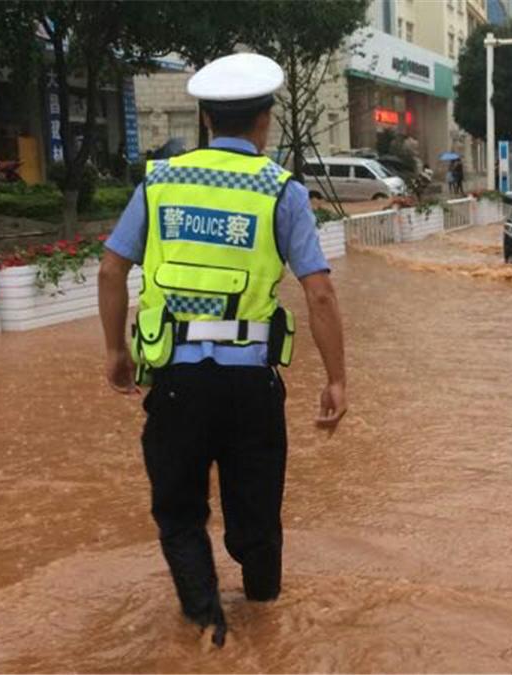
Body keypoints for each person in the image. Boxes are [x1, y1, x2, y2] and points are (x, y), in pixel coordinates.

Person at [97, 53, 347, 648]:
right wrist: (337, 379)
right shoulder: (280, 191)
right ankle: (266, 622)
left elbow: (110, 271)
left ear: (206, 118)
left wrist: (115, 351)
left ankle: (208, 625)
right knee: (256, 516)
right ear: (266, 122)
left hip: (176, 383)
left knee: (180, 513)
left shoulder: (159, 183)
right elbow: (320, 294)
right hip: (251, 387)